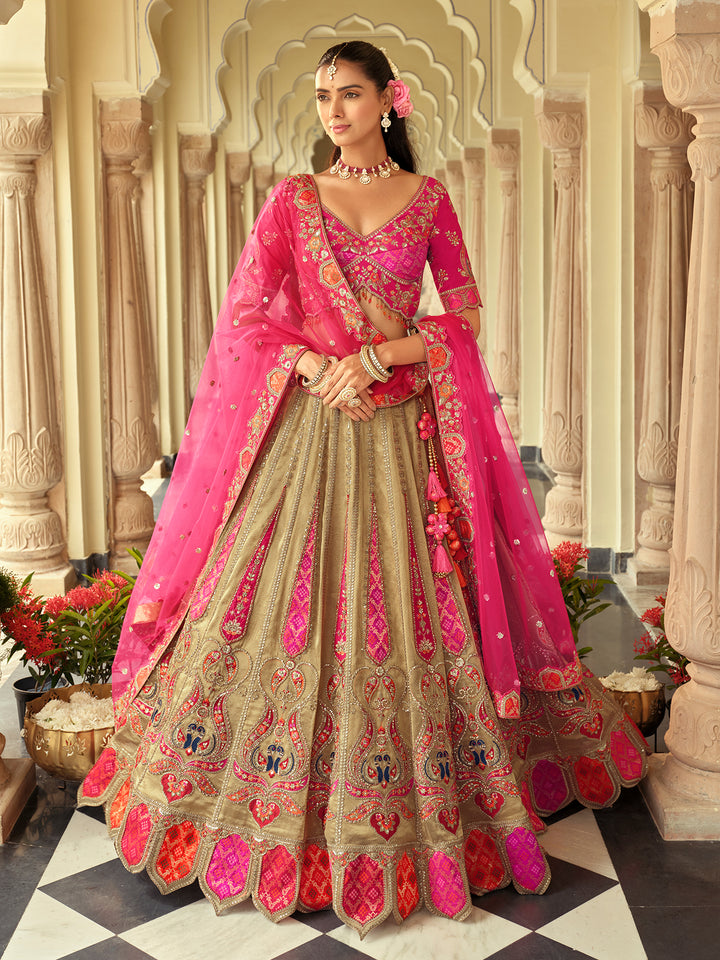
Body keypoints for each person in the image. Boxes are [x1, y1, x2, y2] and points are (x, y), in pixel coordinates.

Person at [79, 40, 647, 936]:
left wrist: (381, 352)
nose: (333, 111)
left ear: (390, 100)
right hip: (308, 430)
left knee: (410, 605)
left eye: (349, 94)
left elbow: (460, 321)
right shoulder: (294, 200)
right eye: (322, 96)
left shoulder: (429, 201)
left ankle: (421, 817)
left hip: (402, 434)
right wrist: (314, 361)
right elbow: (247, 316)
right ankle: (257, 808)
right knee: (276, 603)